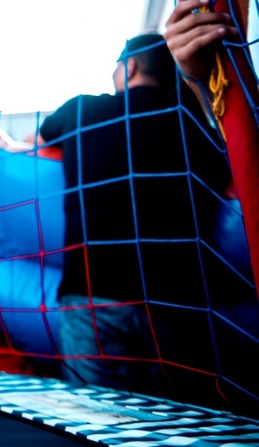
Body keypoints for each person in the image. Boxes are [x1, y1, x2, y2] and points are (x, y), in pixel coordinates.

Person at [38, 31, 233, 396]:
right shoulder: (199, 130)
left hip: (94, 298)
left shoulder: (82, 110)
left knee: (96, 422)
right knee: (183, 420)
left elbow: (38, 149)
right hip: (180, 307)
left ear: (129, 67)